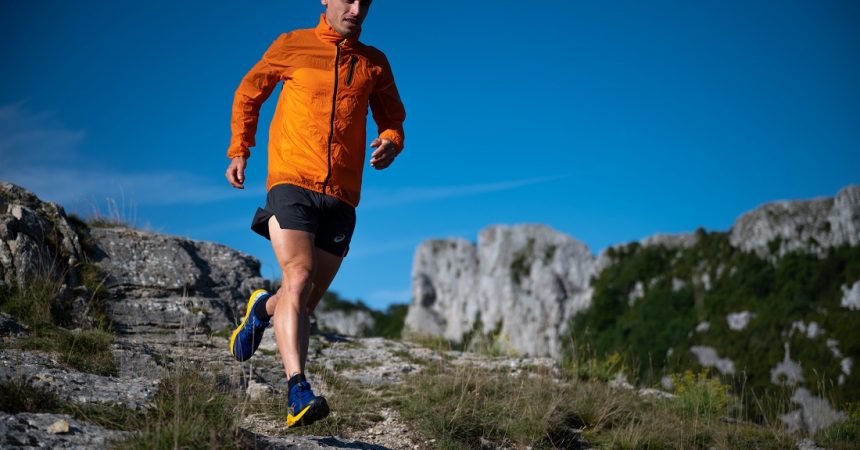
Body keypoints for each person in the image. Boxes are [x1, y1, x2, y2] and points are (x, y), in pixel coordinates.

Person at [223, 0, 405, 428]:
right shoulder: (293, 45)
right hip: (292, 180)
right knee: (299, 277)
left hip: (342, 195)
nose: (356, 8)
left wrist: (392, 141)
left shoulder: (374, 63)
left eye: (365, 1)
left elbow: (392, 119)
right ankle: (297, 389)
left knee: (301, 302)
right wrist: (239, 148)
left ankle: (262, 309)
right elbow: (249, 92)